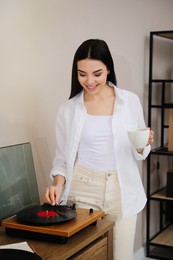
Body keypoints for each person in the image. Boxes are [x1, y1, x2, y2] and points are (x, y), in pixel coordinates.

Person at [43, 39, 154, 260]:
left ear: (108, 69)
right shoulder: (68, 110)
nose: (89, 81)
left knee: (121, 256)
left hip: (122, 189)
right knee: (88, 255)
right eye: (82, 74)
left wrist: (143, 144)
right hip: (83, 189)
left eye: (97, 73)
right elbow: (62, 158)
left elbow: (138, 151)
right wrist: (57, 184)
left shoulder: (130, 102)